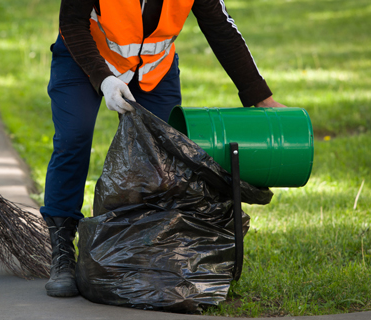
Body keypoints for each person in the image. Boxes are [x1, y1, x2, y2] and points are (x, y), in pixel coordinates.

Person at [40, 0, 287, 298]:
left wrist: (260, 97)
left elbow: (221, 27)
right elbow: (71, 22)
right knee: (73, 138)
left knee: (161, 160)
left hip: (154, 71)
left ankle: (137, 255)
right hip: (84, 57)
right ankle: (63, 248)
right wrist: (104, 80)